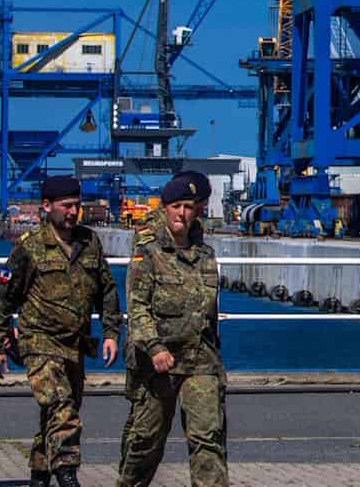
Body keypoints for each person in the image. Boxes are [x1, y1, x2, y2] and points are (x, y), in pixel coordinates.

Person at [0, 175, 121, 487]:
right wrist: (1, 342)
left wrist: (110, 332)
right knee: (61, 406)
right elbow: (5, 300)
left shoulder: (88, 242)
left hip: (74, 343)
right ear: (47, 206)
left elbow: (106, 290)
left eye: (77, 206)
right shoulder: (30, 248)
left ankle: (40, 474)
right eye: (66, 206)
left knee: (57, 411)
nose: (72, 212)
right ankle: (67, 473)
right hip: (39, 340)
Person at [116, 171, 228, 487]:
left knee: (208, 438)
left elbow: (210, 314)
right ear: (165, 207)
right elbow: (137, 308)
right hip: (157, 364)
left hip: (200, 361)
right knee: (146, 442)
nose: (182, 213)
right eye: (177, 206)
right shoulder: (148, 252)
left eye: (189, 207)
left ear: (198, 211)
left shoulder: (205, 255)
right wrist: (154, 347)